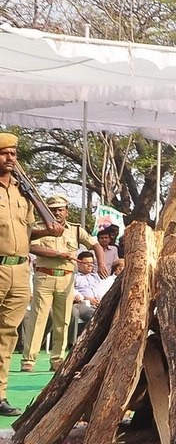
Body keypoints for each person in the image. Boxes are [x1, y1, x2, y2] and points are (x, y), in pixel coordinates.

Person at [0, 133, 67, 415]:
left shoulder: (22, 191)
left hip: (19, 269)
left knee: (7, 334)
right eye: (5, 153)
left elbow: (26, 232)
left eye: (14, 153)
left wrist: (47, 230)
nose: (11, 158)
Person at [21, 194, 94, 372]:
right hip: (45, 276)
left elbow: (93, 243)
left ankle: (57, 359)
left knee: (63, 320)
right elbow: (31, 247)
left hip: (67, 278)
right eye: (53, 209)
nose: (57, 213)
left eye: (60, 209)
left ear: (67, 211)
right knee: (38, 318)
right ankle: (29, 360)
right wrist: (58, 254)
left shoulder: (75, 230)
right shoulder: (38, 227)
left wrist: (98, 257)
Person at [71, 249, 106, 336]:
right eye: (86, 263)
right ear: (79, 263)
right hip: (81, 304)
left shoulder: (96, 276)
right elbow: (72, 291)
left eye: (91, 263)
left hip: (98, 304)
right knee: (94, 315)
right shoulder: (74, 277)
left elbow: (101, 290)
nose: (90, 265)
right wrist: (86, 298)